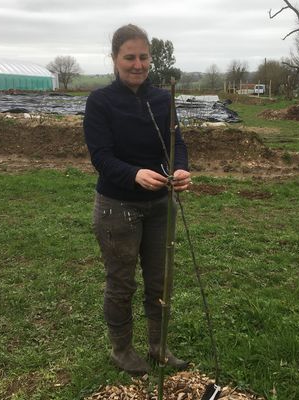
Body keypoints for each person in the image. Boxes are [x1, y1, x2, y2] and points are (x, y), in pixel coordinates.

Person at [83, 24, 191, 375]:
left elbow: (179, 145)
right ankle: (122, 349)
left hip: (161, 205)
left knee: (161, 280)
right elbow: (100, 156)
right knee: (122, 282)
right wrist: (133, 174)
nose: (137, 64)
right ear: (114, 59)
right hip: (118, 206)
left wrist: (180, 170)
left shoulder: (163, 99)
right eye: (129, 57)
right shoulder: (100, 102)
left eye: (143, 57)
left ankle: (159, 346)